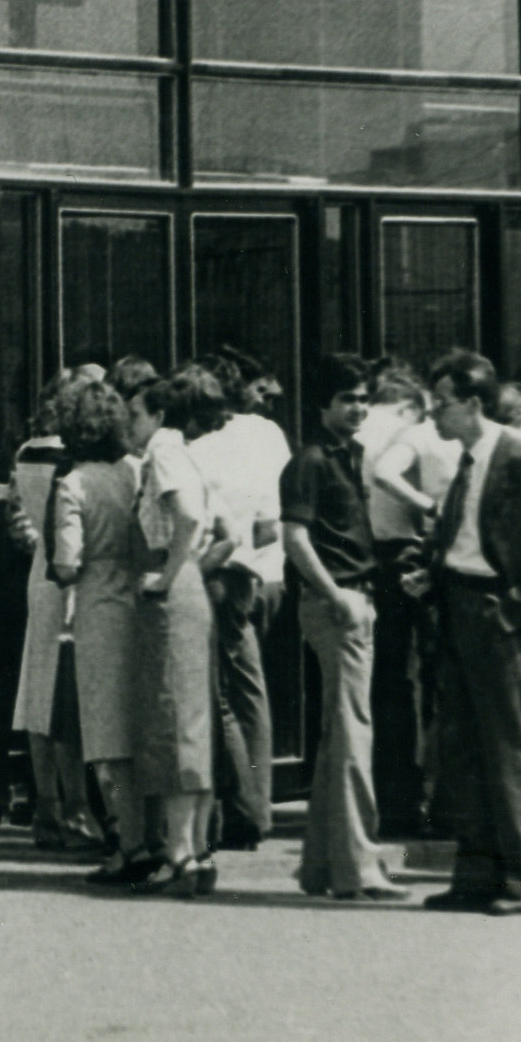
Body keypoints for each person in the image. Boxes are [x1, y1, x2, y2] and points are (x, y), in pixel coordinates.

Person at [413, 351, 521, 917]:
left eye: (442, 404)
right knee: (461, 751)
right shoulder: (464, 464)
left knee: (508, 750)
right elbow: (463, 539)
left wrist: (512, 611)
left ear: (474, 404)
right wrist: (430, 575)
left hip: (499, 618)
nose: (433, 415)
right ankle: (477, 875)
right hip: (458, 608)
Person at [282, 353, 408, 901]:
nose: (358, 408)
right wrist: (336, 596)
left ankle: (320, 867)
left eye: (363, 398)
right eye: (347, 399)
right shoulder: (310, 461)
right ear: (322, 405)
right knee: (355, 734)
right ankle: (359, 866)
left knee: (341, 734)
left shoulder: (349, 455)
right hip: (338, 602)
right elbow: (295, 536)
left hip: (356, 596)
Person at [125, 369, 224, 896]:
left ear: (159, 416)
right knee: (186, 714)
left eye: (135, 414)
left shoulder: (163, 454)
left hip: (167, 588)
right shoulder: (183, 452)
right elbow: (216, 524)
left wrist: (166, 574)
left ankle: (180, 851)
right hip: (185, 585)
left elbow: (186, 515)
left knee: (171, 716)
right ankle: (193, 846)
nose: (128, 423)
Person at [54, 375, 150, 886]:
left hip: (96, 604)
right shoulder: (134, 471)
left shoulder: (74, 484)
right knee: (140, 724)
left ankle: (126, 842)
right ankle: (155, 835)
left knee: (105, 735)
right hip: (139, 600)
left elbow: (67, 563)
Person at [191, 353, 289, 850]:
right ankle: (260, 803)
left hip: (218, 574)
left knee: (221, 697)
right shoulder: (267, 434)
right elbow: (272, 520)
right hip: (265, 573)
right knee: (251, 690)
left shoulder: (198, 448)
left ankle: (243, 808)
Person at [10, 371, 101, 851]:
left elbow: (17, 520)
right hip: (73, 579)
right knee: (68, 700)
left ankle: (47, 805)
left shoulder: (26, 453)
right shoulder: (76, 461)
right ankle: (77, 807)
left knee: (38, 693)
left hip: (40, 578)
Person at [373, 367, 464, 835]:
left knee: (397, 682)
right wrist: (430, 507)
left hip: (392, 555)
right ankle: (439, 797)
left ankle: (400, 799)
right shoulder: (424, 435)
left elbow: (380, 475)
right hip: (427, 554)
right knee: (437, 682)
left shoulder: (379, 434)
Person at [359, 364, 438, 839]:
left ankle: (385, 796)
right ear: (410, 404)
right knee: (418, 680)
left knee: (383, 681)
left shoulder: (357, 433)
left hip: (369, 558)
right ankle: (413, 797)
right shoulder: (410, 433)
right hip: (407, 553)